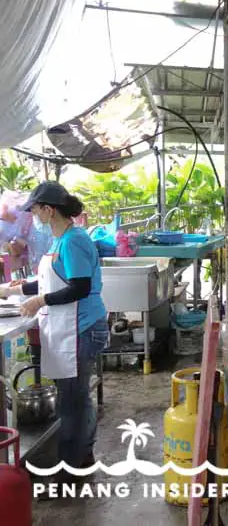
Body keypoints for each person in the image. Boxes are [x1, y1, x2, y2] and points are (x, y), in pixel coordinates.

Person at [0, 182, 108, 478]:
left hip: (82, 327)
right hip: (73, 327)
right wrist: (13, 290)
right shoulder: (59, 239)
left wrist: (39, 301)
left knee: (71, 402)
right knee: (76, 398)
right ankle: (81, 457)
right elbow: (50, 279)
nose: (33, 216)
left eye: (34, 210)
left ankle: (69, 469)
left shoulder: (73, 240)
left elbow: (80, 287)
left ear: (49, 210)